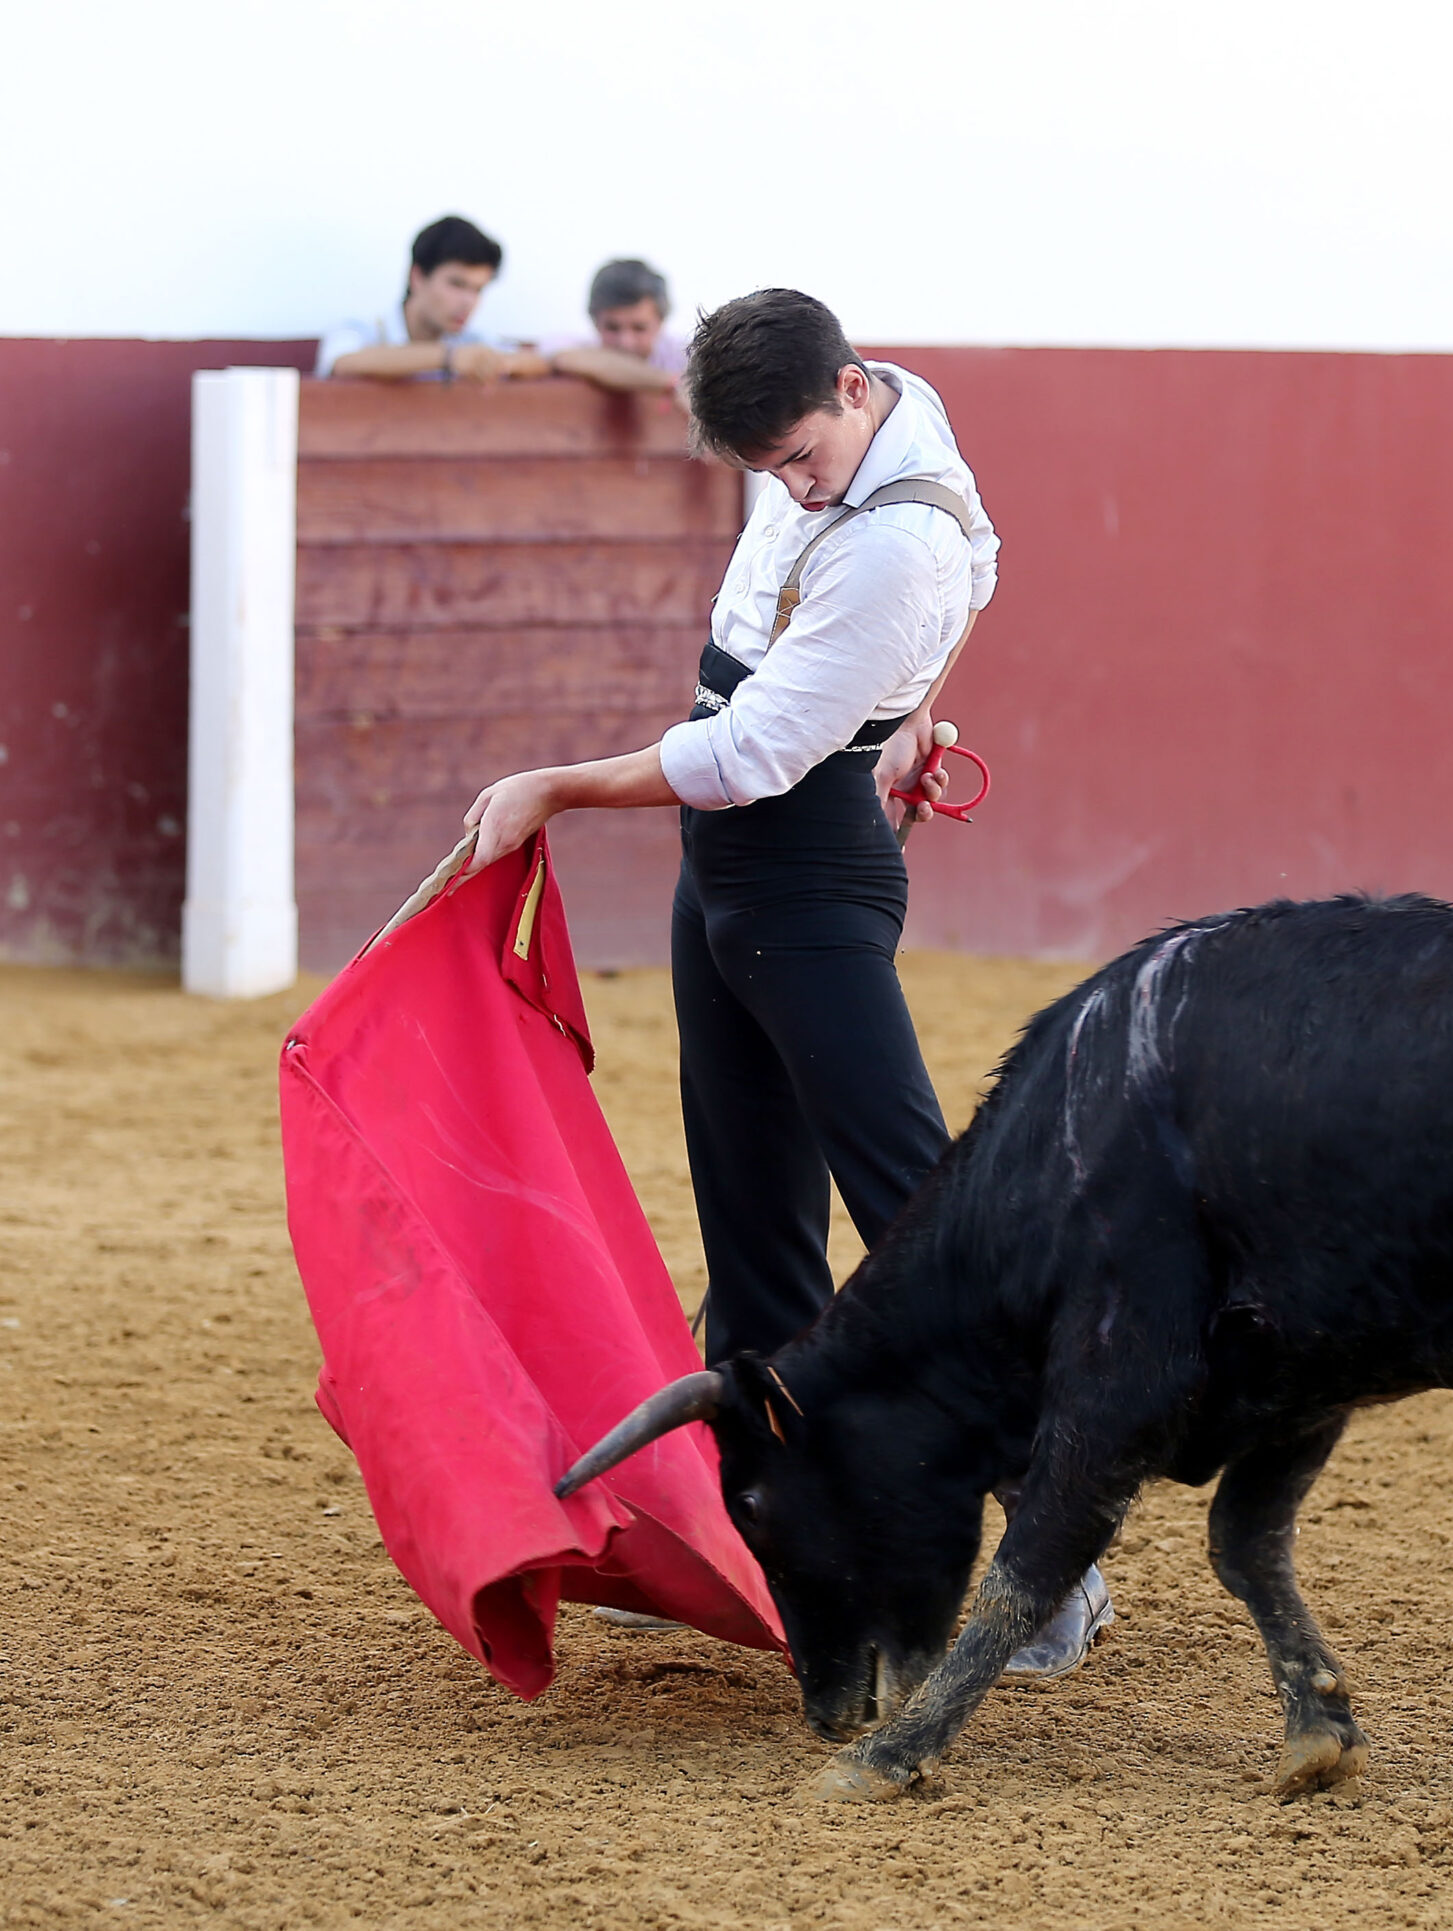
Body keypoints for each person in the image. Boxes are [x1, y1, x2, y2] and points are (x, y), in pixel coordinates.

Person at [457, 288, 1113, 1676]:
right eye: (766, 470)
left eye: (802, 458)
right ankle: (752, 1518)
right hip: (742, 874)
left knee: (915, 1209)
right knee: (753, 1211)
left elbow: (747, 753)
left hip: (801, 868)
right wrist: (920, 704)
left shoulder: (893, 545)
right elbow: (988, 564)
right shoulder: (899, 413)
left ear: (852, 389)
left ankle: (1053, 1551)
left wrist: (558, 785)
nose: (791, 486)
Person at [320, 215, 550, 383]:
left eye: (478, 290)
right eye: (457, 284)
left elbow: (537, 361)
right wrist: (448, 358)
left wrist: (501, 364)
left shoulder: (472, 340)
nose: (468, 302)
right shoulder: (362, 328)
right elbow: (342, 363)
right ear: (417, 277)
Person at [545, 259, 689, 396]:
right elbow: (561, 356)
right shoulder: (574, 346)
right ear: (595, 322)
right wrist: (674, 383)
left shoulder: (686, 354)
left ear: (660, 323)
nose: (626, 342)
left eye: (639, 328)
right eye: (612, 328)